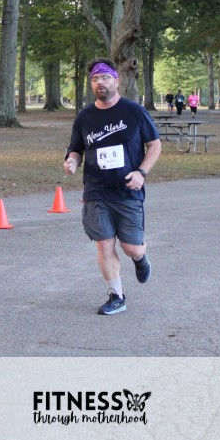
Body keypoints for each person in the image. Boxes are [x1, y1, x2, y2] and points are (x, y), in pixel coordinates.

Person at [64, 59, 161, 315]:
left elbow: (155, 145)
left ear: (116, 81)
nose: (100, 83)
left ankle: (140, 258)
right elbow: (76, 149)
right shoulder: (84, 117)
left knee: (131, 247)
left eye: (105, 78)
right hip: (96, 190)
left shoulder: (134, 111)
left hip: (128, 189)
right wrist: (72, 161)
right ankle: (117, 296)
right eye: (95, 79)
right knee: (104, 244)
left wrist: (141, 173)